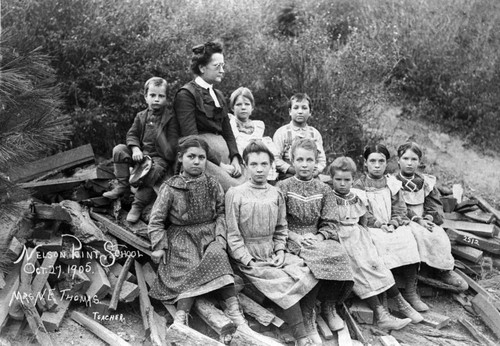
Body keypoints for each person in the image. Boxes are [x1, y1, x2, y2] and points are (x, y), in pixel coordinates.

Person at [225, 141, 320, 346]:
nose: (259, 169)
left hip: (272, 252)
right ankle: (301, 337)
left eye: (264, 164)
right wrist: (247, 259)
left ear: (271, 166)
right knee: (282, 282)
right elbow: (232, 233)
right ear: (245, 166)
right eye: (254, 164)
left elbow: (281, 227)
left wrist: (279, 251)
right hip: (249, 257)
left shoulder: (275, 192)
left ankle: (306, 320)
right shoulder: (235, 193)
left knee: (308, 270)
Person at [147, 136, 246, 327]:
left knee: (218, 255)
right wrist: (159, 245)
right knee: (188, 265)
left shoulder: (212, 183)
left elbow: (221, 212)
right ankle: (181, 315)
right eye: (191, 156)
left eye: (201, 157)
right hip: (182, 237)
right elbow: (157, 220)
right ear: (180, 158)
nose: (196, 161)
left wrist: (219, 237)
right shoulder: (171, 186)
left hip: (209, 235)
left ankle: (234, 311)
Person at [328, 156, 421, 330]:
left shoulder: (356, 196)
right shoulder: (329, 198)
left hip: (358, 236)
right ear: (331, 179)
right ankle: (380, 314)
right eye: (338, 179)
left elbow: (363, 219)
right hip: (341, 238)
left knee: (376, 263)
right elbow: (327, 223)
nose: (342, 184)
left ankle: (402, 304)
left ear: (352, 179)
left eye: (347, 180)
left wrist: (377, 228)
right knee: (361, 269)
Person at [277, 139, 353, 342]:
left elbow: (330, 222)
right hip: (290, 237)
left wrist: (318, 236)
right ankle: (308, 315)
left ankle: (329, 305)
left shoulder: (324, 189)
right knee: (314, 261)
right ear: (292, 161)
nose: (304, 164)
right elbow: (278, 220)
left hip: (314, 236)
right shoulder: (282, 186)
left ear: (316, 162)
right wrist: (294, 236)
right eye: (299, 159)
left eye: (309, 160)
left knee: (339, 254)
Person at [353, 144, 425, 311]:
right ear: (365, 163)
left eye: (381, 161)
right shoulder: (359, 185)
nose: (377, 165)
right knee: (379, 244)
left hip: (392, 224)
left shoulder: (392, 183)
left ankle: (410, 291)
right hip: (372, 227)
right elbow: (362, 211)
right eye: (372, 161)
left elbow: (400, 208)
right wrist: (378, 224)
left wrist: (393, 223)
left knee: (408, 238)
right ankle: (386, 294)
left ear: (387, 163)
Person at [390, 142, 468, 290]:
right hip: (404, 216)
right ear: (398, 160)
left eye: (414, 159)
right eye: (405, 158)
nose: (409, 163)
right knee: (414, 235)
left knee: (438, 235)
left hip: (424, 217)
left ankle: (442, 270)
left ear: (419, 162)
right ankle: (413, 272)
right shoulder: (393, 182)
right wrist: (417, 220)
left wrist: (429, 217)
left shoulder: (426, 182)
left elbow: (434, 203)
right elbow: (398, 206)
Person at [103, 77, 178, 223]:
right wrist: (136, 149)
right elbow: (132, 134)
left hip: (158, 158)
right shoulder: (141, 116)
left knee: (154, 171)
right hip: (140, 154)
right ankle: (122, 186)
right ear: (145, 97)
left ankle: (137, 205)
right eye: (152, 95)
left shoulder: (171, 118)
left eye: (161, 96)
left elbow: (172, 145)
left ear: (166, 98)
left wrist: (163, 143)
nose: (156, 99)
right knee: (119, 150)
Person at [173, 41, 243, 190]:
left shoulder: (218, 95)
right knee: (236, 189)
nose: (222, 70)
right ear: (202, 68)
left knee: (252, 182)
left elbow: (228, 131)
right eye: (217, 66)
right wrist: (220, 165)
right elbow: (192, 139)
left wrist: (236, 158)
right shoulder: (186, 95)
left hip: (227, 159)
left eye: (223, 66)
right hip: (202, 158)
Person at [273, 93, 327, 180]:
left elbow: (322, 160)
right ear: (290, 111)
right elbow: (275, 158)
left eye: (304, 108)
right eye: (296, 108)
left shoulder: (314, 133)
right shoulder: (282, 132)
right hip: (288, 175)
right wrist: (291, 169)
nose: (300, 111)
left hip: (311, 176)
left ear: (310, 112)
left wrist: (316, 171)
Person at [228, 86, 278, 181]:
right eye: (238, 104)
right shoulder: (230, 125)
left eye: (247, 104)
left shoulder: (258, 126)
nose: (243, 107)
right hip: (240, 165)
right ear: (232, 108)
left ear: (252, 108)